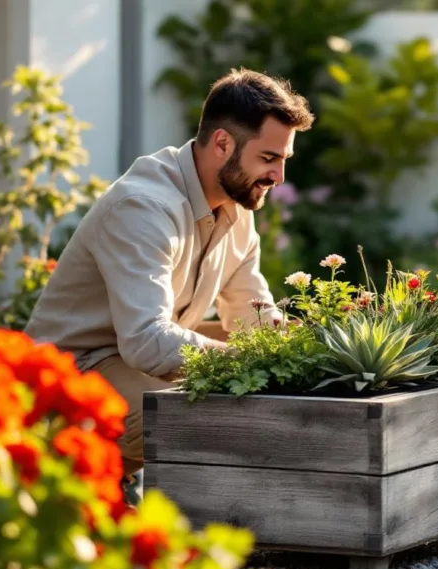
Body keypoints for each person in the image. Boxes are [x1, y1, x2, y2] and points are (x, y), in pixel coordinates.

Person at [24, 68, 314, 505]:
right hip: (72, 371)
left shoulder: (236, 206)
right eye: (269, 158)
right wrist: (249, 365)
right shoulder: (144, 206)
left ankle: (106, 483)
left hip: (128, 361)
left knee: (253, 387)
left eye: (283, 161)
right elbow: (145, 342)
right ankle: (80, 481)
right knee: (212, 418)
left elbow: (248, 311)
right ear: (222, 144)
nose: (278, 176)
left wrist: (296, 353)